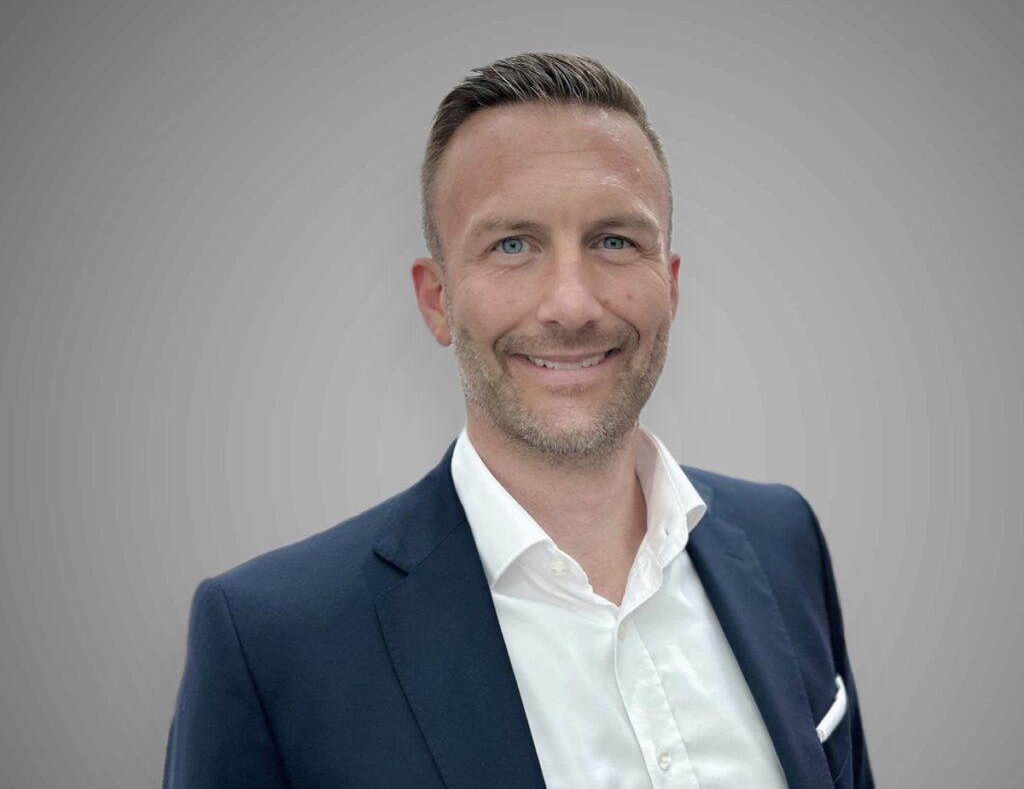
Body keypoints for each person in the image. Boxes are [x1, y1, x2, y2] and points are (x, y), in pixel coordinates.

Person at [163, 52, 873, 788]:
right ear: (437, 301)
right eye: (512, 245)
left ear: (669, 283)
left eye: (614, 241)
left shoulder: (783, 538)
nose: (572, 304)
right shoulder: (269, 640)